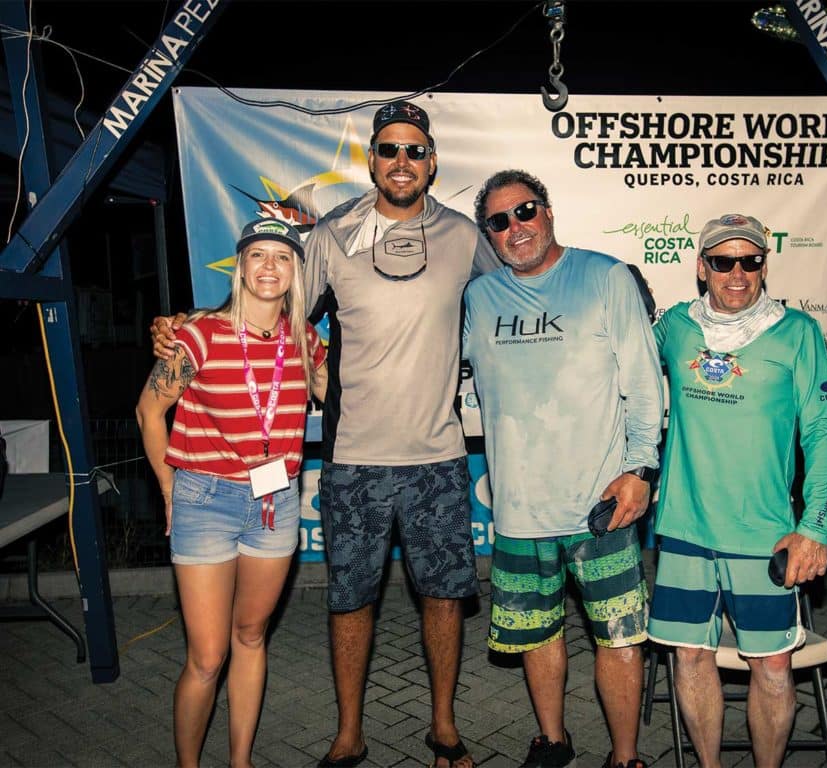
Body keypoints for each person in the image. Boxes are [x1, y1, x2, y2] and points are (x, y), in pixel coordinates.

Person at [152, 100, 500, 768]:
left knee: (445, 598)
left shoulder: (463, 236)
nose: (402, 161)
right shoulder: (334, 235)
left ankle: (445, 728)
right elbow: (267, 311)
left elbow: (513, 299)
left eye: (415, 150)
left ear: (432, 162)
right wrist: (187, 324)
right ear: (372, 160)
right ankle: (349, 733)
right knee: (350, 598)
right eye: (389, 150)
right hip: (353, 459)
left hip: (438, 456)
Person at [463, 170, 664, 768]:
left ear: (547, 212)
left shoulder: (605, 277)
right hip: (520, 510)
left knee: (620, 637)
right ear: (490, 237)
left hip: (601, 502)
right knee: (538, 634)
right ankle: (553, 740)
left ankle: (624, 757)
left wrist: (642, 469)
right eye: (498, 222)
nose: (514, 228)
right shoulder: (478, 299)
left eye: (524, 211)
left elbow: (644, 385)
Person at [646, 213, 827, 768]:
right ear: (702, 267)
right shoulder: (675, 326)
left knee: (773, 667)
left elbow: (822, 434)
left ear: (764, 266)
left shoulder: (798, 332)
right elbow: (616, 364)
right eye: (724, 261)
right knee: (689, 657)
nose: (737, 273)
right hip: (684, 528)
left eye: (750, 261)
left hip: (766, 535)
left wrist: (815, 527)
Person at [136, 218, 327, 768]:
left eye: (283, 257)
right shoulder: (197, 335)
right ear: (240, 266)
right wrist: (170, 486)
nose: (270, 266)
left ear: (296, 272)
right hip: (206, 500)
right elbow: (149, 411)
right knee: (207, 656)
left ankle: (240, 761)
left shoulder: (303, 340)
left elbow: (338, 387)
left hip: (276, 503)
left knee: (250, 636)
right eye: (258, 255)